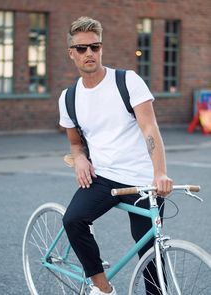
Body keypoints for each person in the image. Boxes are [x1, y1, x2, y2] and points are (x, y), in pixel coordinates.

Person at [58, 16, 173, 295]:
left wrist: (160, 172)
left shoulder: (127, 81)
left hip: (142, 178)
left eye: (95, 47)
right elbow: (75, 143)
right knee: (73, 220)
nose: (89, 54)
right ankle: (102, 287)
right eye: (82, 48)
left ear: (101, 49)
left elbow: (150, 128)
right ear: (71, 53)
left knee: (150, 251)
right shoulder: (68, 97)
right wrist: (81, 159)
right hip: (104, 177)